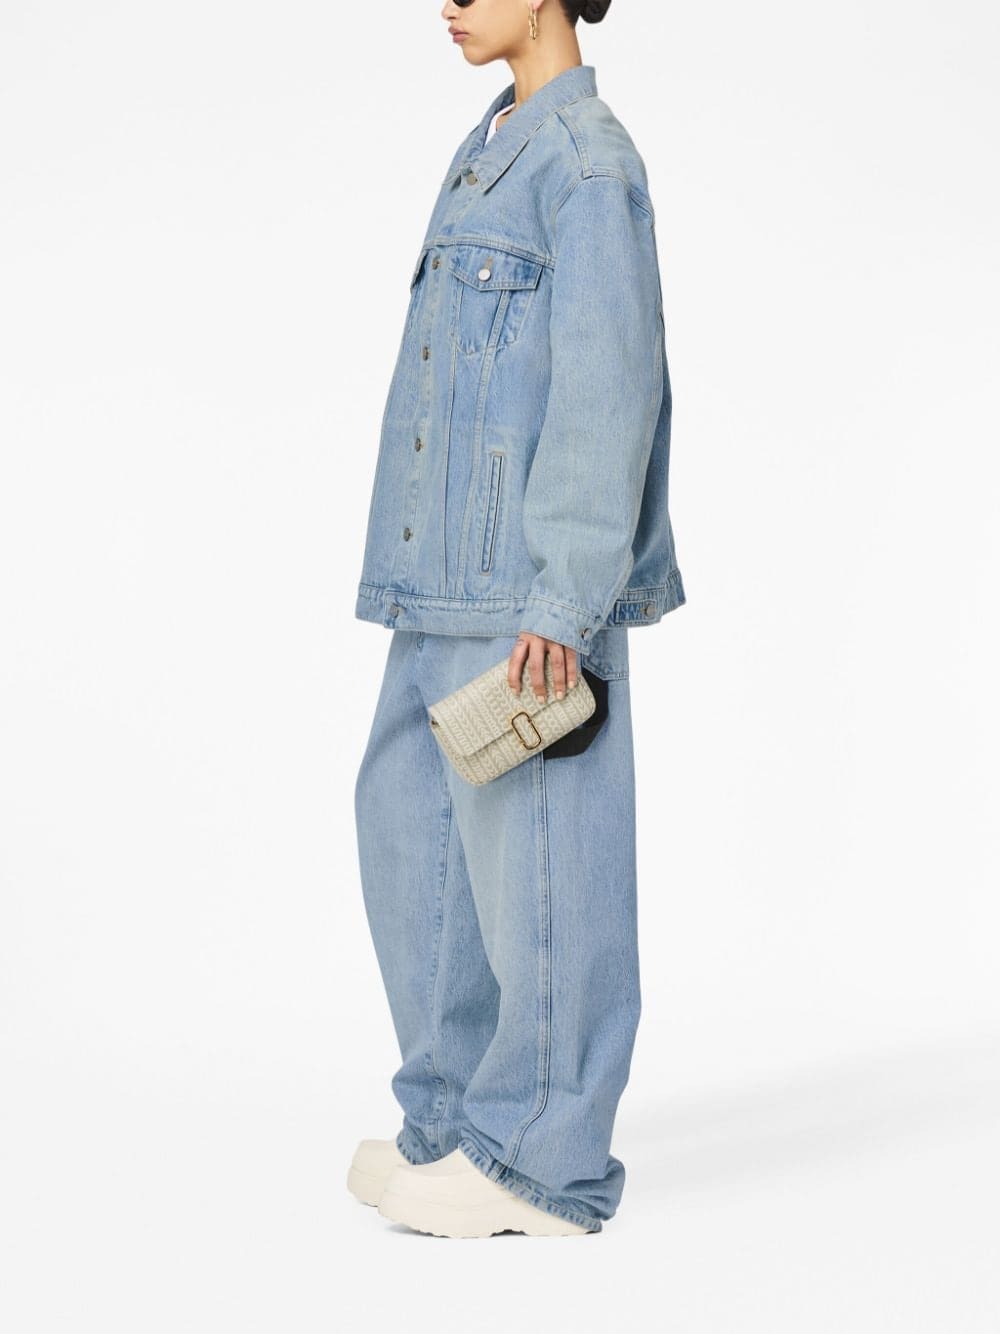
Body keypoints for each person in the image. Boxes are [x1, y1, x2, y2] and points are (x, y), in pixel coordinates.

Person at [348, 0, 685, 1237]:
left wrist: (565, 594)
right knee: (413, 844)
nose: (445, 0)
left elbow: (609, 387)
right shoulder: (494, 142)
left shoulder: (589, 166)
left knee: (541, 869)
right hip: (438, 576)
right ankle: (450, 1120)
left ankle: (542, 1162)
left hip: (527, 592)